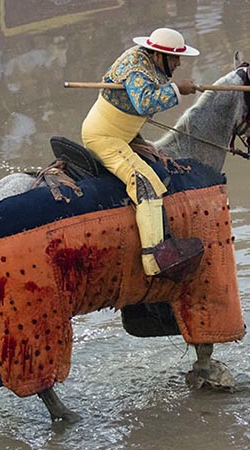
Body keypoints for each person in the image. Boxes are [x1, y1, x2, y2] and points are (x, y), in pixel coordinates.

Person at [81, 27, 203, 282]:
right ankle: (154, 259)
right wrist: (178, 90)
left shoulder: (147, 62)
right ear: (159, 56)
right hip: (105, 138)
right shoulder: (137, 70)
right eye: (175, 58)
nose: (179, 63)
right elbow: (145, 103)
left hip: (124, 134)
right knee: (145, 183)